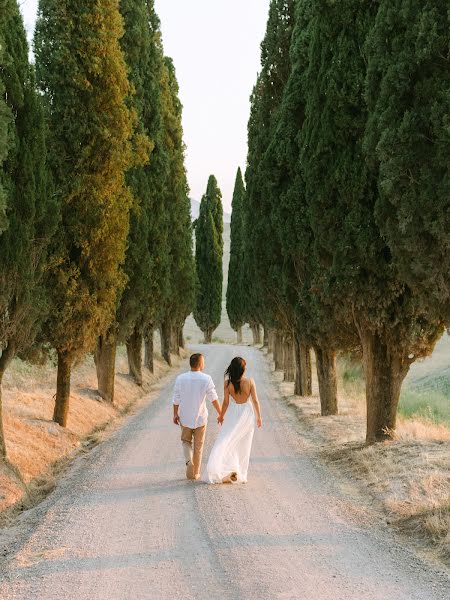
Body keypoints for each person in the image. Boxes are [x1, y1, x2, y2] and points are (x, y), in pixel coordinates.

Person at [205, 356, 262, 484]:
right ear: (242, 369)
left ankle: (224, 468)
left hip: (233, 414)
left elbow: (225, 403)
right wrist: (259, 417)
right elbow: (255, 401)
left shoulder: (227, 383)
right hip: (247, 414)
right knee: (244, 444)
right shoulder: (250, 382)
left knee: (227, 439)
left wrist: (221, 416)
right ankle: (241, 472)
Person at [172, 353, 221, 480]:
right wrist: (221, 413)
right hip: (200, 418)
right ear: (200, 364)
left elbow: (176, 399)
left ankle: (189, 462)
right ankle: (196, 473)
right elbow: (213, 398)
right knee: (198, 446)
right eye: (203, 361)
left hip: (185, 417)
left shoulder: (180, 378)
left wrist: (175, 414)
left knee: (186, 441)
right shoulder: (206, 378)